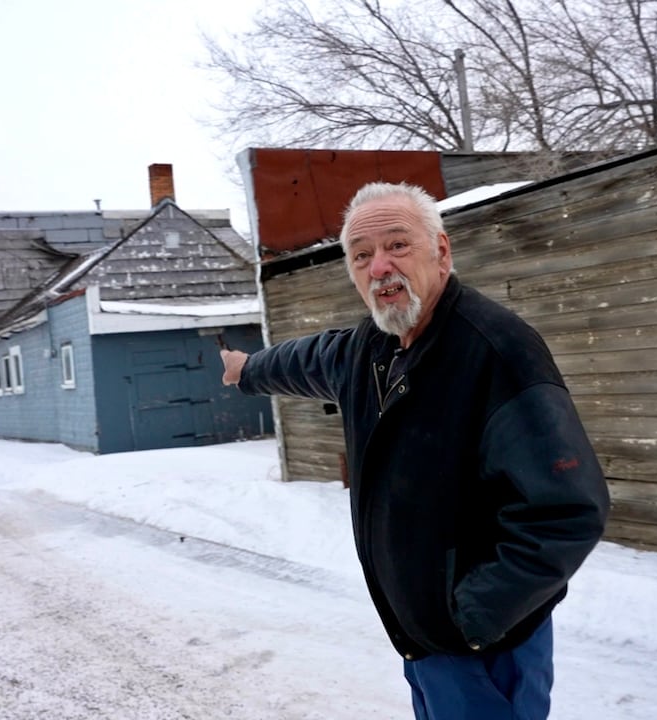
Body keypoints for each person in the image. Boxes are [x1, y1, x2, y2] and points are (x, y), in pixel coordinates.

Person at [220, 182, 610, 720]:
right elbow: (305, 360)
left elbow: (567, 511)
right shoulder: (371, 349)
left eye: (397, 246)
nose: (379, 267)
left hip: (485, 648)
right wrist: (247, 371)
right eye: (361, 255)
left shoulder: (496, 351)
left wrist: (469, 619)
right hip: (425, 639)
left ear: (442, 251)